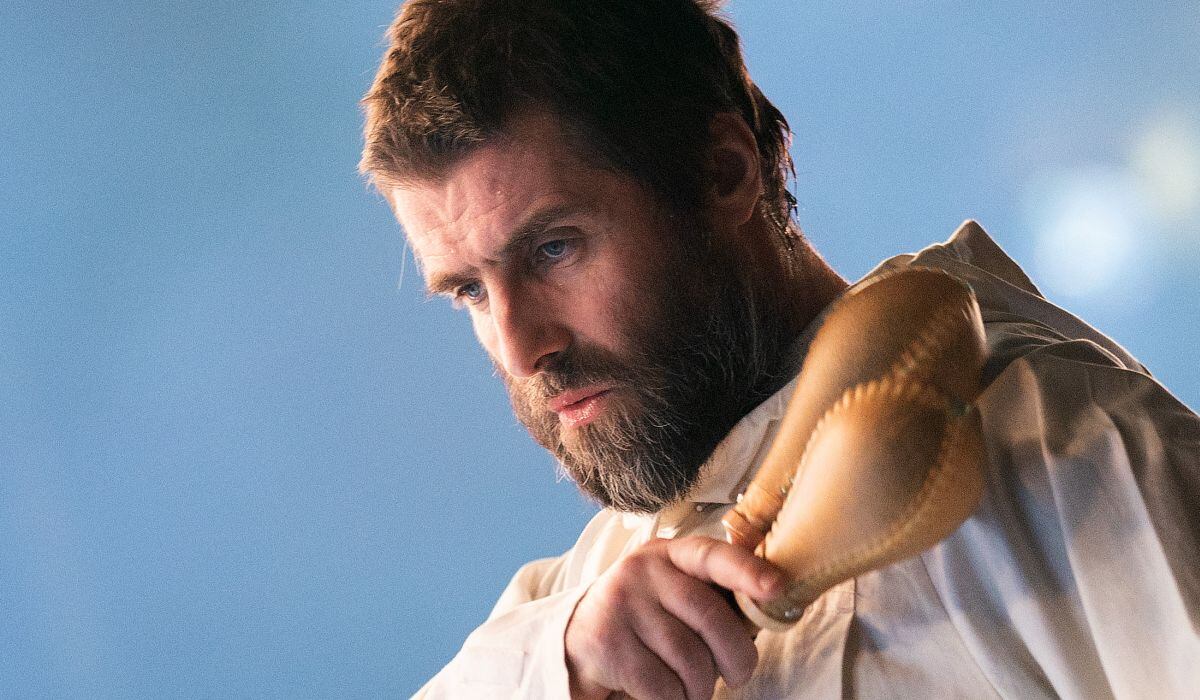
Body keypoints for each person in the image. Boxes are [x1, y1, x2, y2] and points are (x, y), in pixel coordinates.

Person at [359, 1, 1200, 697]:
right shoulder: (587, 603)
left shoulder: (1078, 465)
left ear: (724, 172)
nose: (519, 347)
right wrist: (565, 660)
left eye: (554, 249)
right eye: (469, 290)